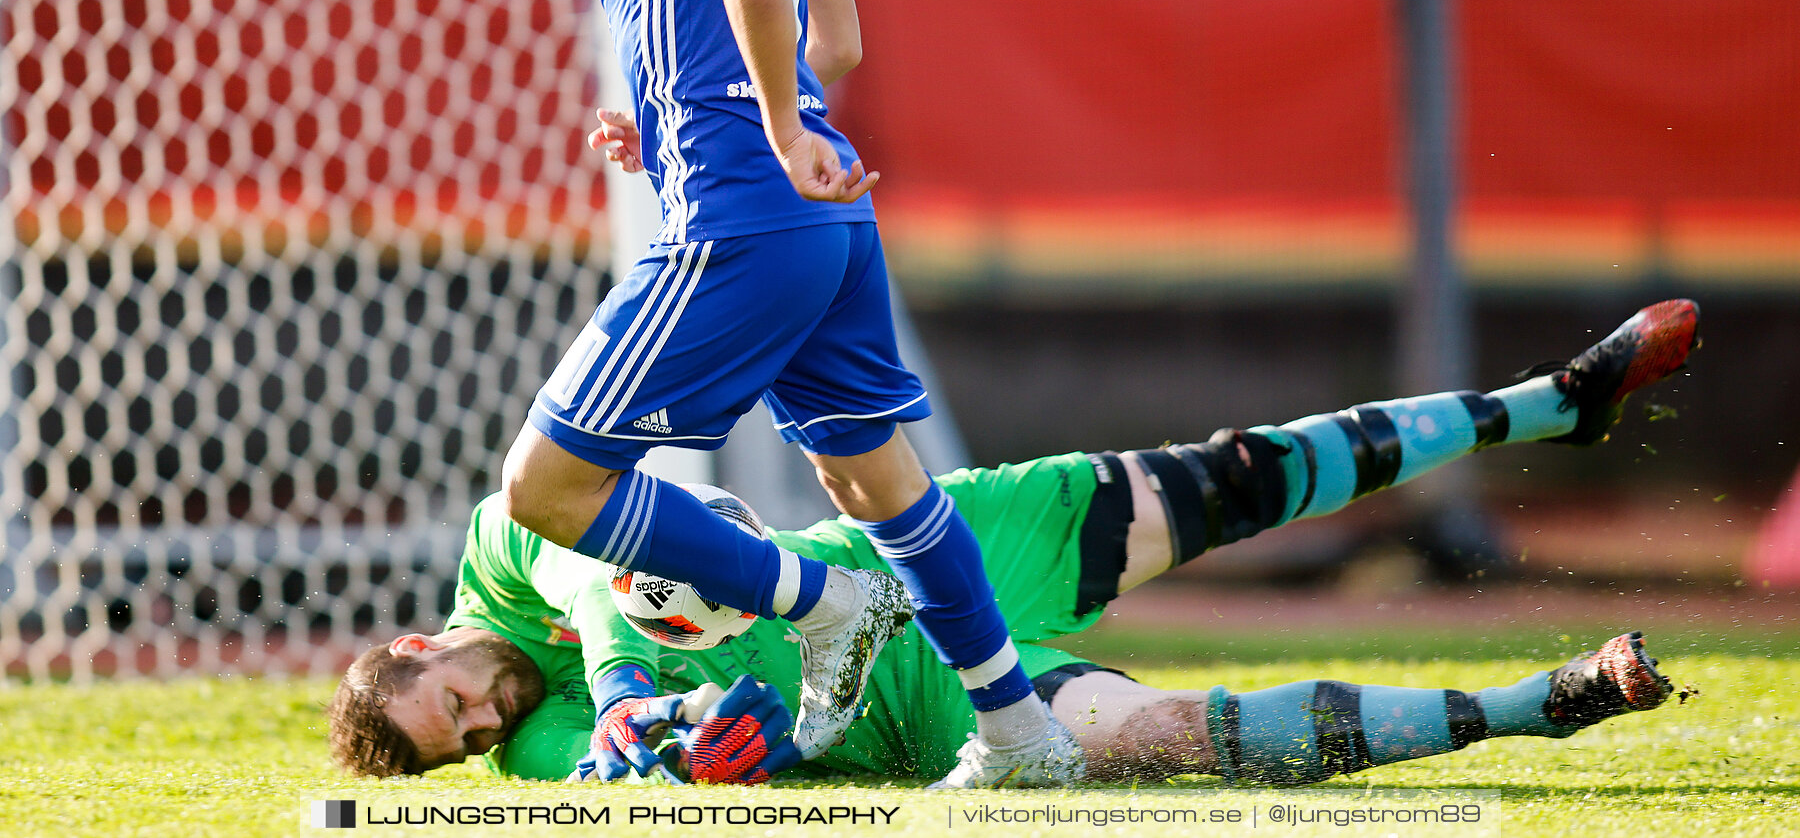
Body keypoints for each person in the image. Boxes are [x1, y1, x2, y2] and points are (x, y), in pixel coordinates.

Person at [329, 301, 1698, 786]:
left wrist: (633, 684)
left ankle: (1555, 401)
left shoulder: (506, 546)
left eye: (448, 695)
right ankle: (1545, 704)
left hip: (934, 544)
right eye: (466, 737)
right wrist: (683, 745)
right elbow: (625, 760)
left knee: (1242, 475)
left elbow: (584, 558)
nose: (482, 712)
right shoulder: (536, 743)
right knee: (1174, 734)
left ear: (414, 646)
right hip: (918, 704)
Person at [498, 0, 1069, 785]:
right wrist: (677, 104)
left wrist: (755, 124)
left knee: (545, 489)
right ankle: (1022, 733)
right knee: (881, 485)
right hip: (827, 220)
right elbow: (837, 39)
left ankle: (822, 601)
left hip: (742, 217)